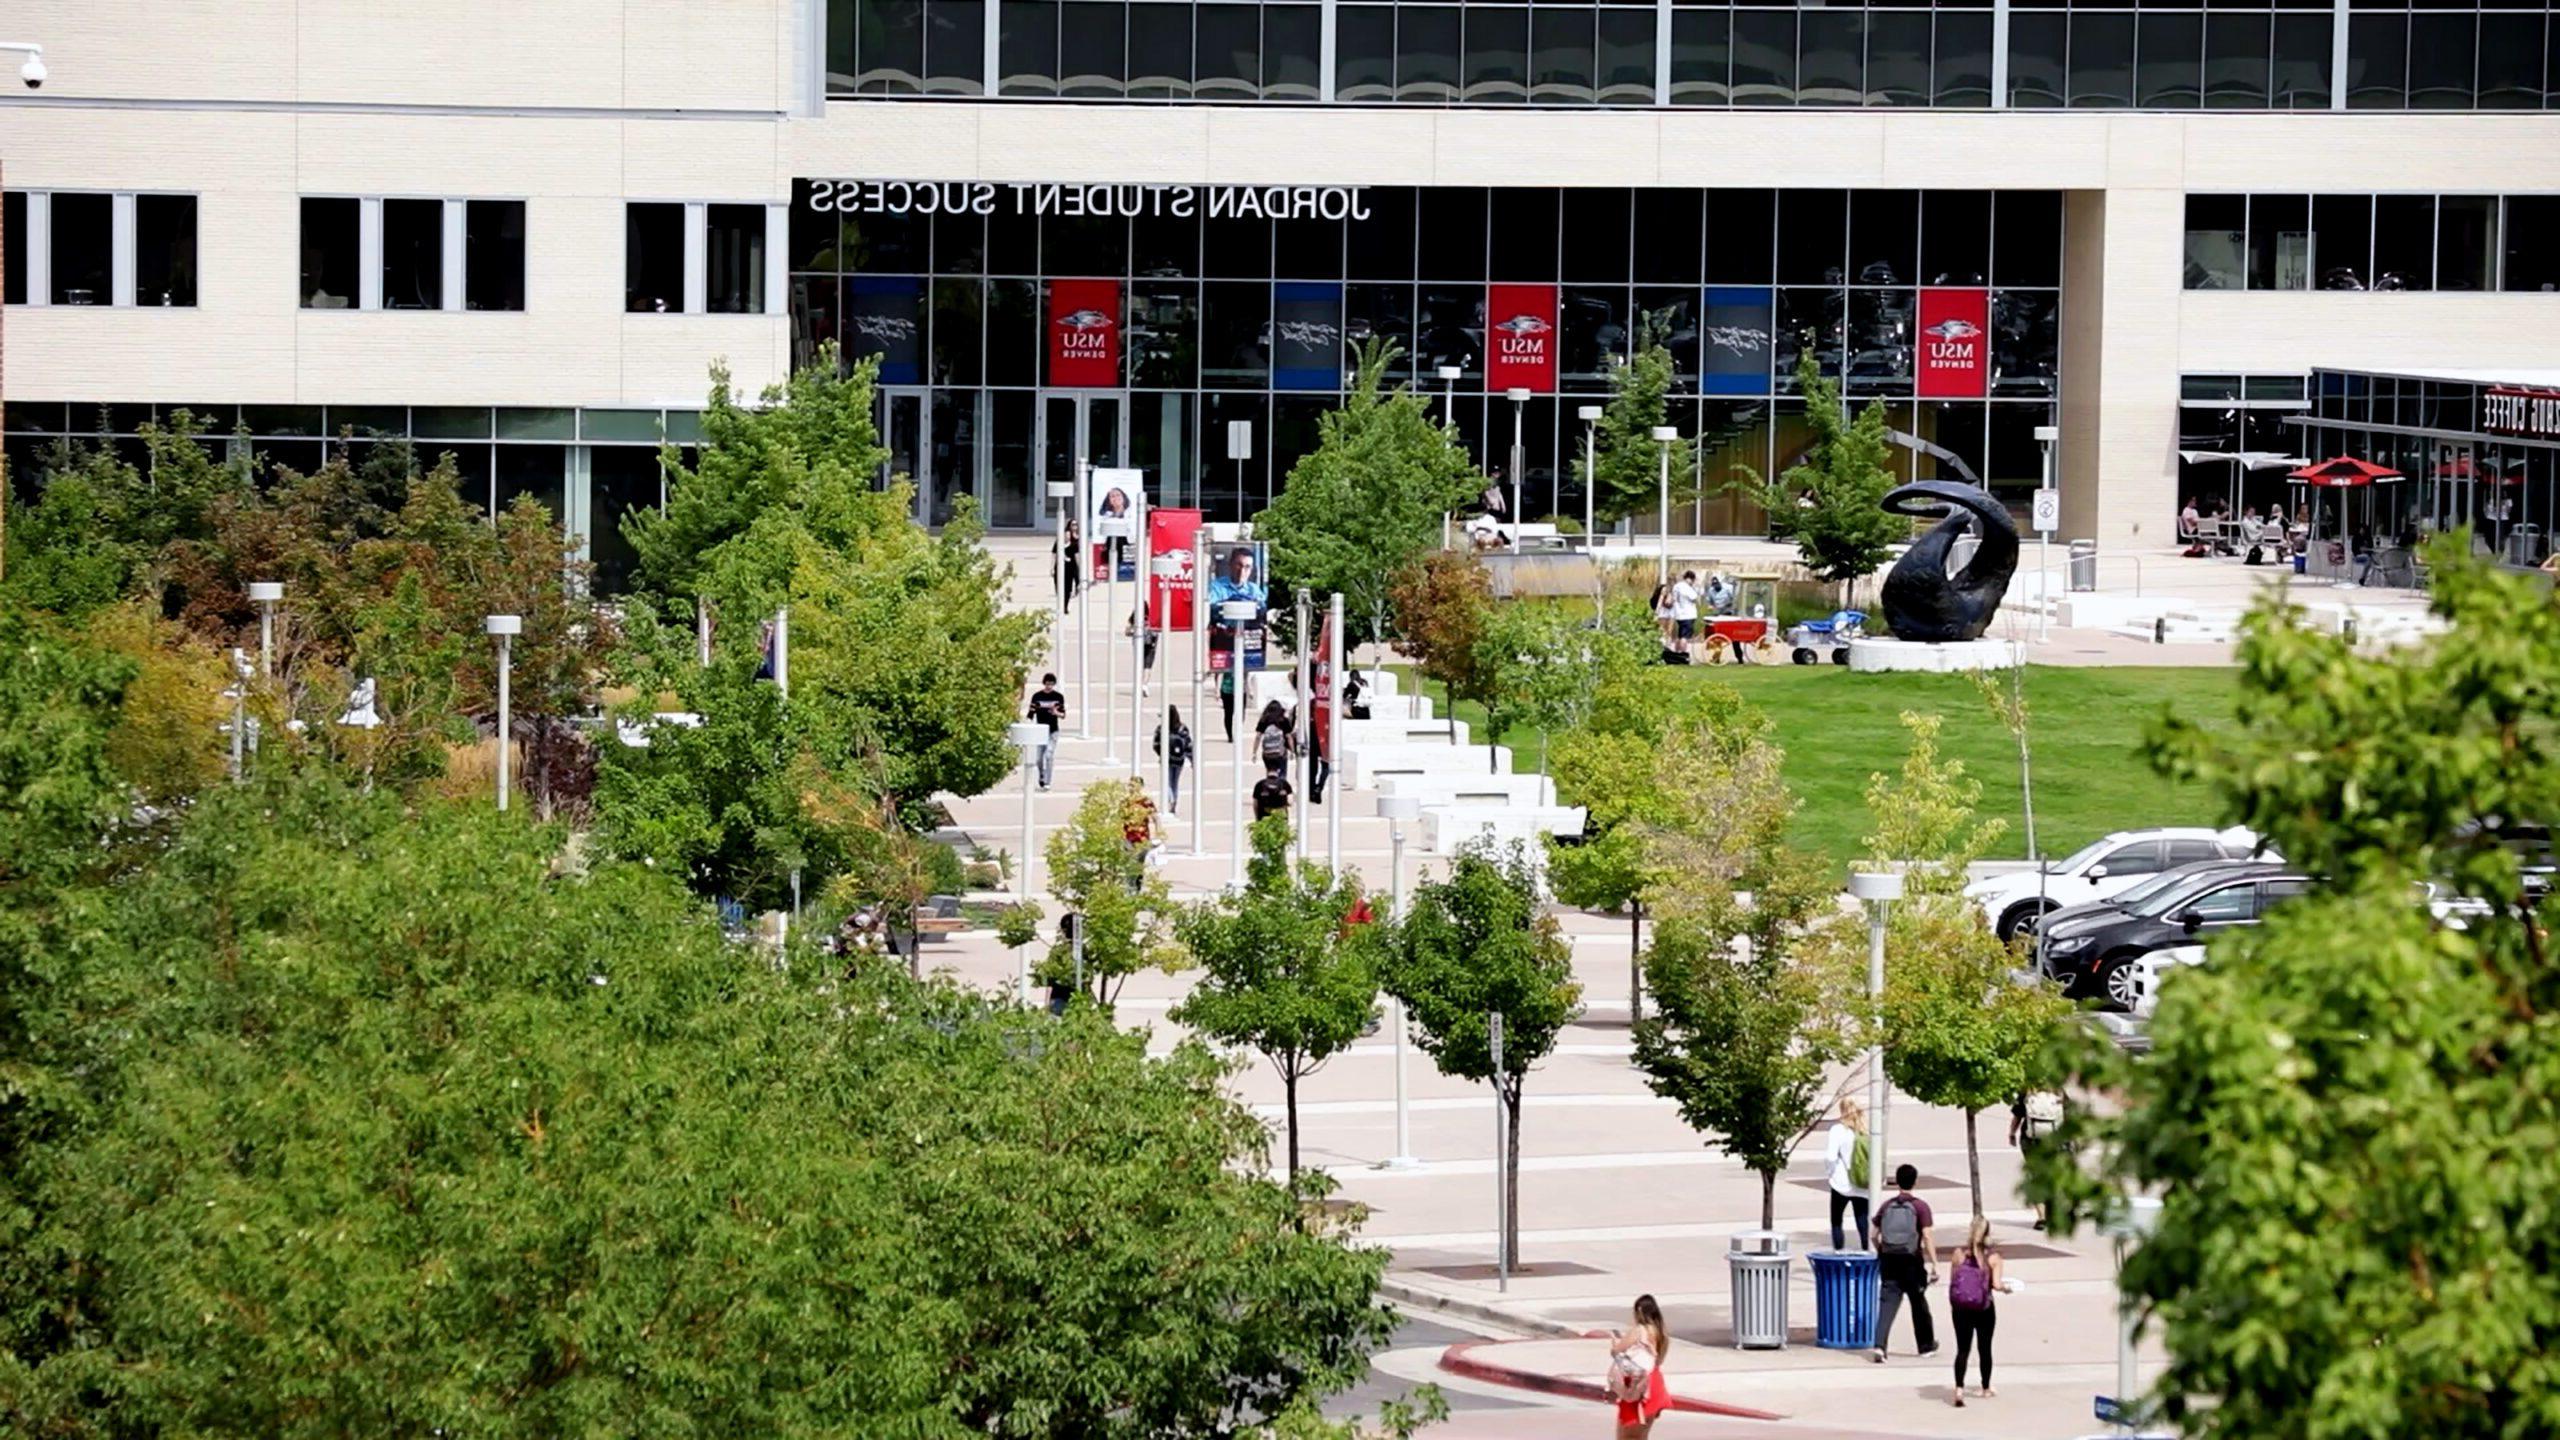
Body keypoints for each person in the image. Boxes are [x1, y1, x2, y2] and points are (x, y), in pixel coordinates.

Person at [1869, 1163, 1938, 1363]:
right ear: (1915, 1181)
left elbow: (1873, 1234)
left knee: (1887, 1304)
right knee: (1918, 1302)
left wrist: (1881, 1249)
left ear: (1897, 1182)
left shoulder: (1887, 1206)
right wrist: (1934, 1262)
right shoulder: (1920, 1207)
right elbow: (1926, 1236)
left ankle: (1880, 1346)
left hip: (1889, 1260)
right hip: (1911, 1261)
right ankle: (1925, 1345)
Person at [1945, 1215, 2011, 1407]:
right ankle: (1986, 1386)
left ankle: (1959, 1389)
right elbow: (1997, 1285)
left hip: (1960, 1308)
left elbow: (1953, 1282)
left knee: (1962, 1349)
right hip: (1983, 1307)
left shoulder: (1958, 1254)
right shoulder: (1993, 1258)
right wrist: (2006, 1288)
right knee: (1985, 1348)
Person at [1608, 1294, 1671, 1438]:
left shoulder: (1639, 1330)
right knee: (1641, 1436)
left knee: (1626, 1437)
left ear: (1639, 1311)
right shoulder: (1661, 1333)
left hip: (1637, 1386)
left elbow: (1616, 1351)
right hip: (1654, 1384)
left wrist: (1615, 1343)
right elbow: (1658, 1360)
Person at [2009, 1090, 2066, 1230]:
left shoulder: (2027, 1092)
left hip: (2031, 1140)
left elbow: (2017, 1116)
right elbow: (2067, 1115)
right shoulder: (2058, 1090)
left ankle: (2041, 1217)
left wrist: (2011, 1133)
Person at [1824, 1096, 1871, 1251]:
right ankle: (1867, 1252)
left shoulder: (1838, 1130)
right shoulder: (1865, 1131)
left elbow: (1831, 1157)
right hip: (1862, 1183)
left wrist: (1830, 1173)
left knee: (1837, 1220)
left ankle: (1838, 1253)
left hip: (1841, 1183)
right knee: (1862, 1220)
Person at [1026, 673, 1067, 789]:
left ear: (1054, 684)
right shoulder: (1037, 696)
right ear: (1044, 683)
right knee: (1039, 758)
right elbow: (1031, 713)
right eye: (1047, 684)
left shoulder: (1058, 697)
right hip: (1040, 731)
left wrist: (1056, 713)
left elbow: (1063, 714)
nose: (1049, 686)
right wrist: (1028, 726)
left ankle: (1048, 781)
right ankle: (1042, 775)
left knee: (1049, 754)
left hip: (1053, 730)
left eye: (1051, 684)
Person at [1154, 704, 1192, 816]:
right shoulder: (1182, 728)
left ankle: (1170, 801)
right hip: (1179, 760)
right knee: (1175, 783)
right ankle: (1174, 801)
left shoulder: (1161, 729)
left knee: (1167, 782)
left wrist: (1161, 753)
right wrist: (1191, 759)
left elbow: (1155, 744)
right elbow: (1188, 745)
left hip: (1167, 759)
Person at [1669, 570, 1703, 660]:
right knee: (1685, 637)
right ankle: (1683, 654)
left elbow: (1674, 599)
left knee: (1680, 635)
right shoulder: (1687, 587)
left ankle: (1676, 653)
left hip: (1679, 615)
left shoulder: (1676, 586)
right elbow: (1695, 598)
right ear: (1692, 579)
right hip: (1688, 615)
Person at [1256, 699, 1293, 776]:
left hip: (1267, 753)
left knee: (1270, 771)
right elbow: (1289, 737)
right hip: (1280, 753)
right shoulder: (1283, 720)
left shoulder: (1264, 720)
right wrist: (1292, 751)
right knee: (1282, 772)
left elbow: (1258, 737)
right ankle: (1281, 784)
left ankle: (1270, 783)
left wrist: (1254, 752)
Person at [1055, 519, 1082, 611]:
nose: (1075, 526)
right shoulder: (1059, 543)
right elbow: (1054, 553)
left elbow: (1077, 554)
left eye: (1076, 524)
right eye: (1073, 524)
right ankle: (1063, 605)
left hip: (1072, 565)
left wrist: (1080, 566)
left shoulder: (1076, 540)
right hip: (1062, 566)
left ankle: (1075, 592)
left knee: (1075, 582)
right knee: (1063, 587)